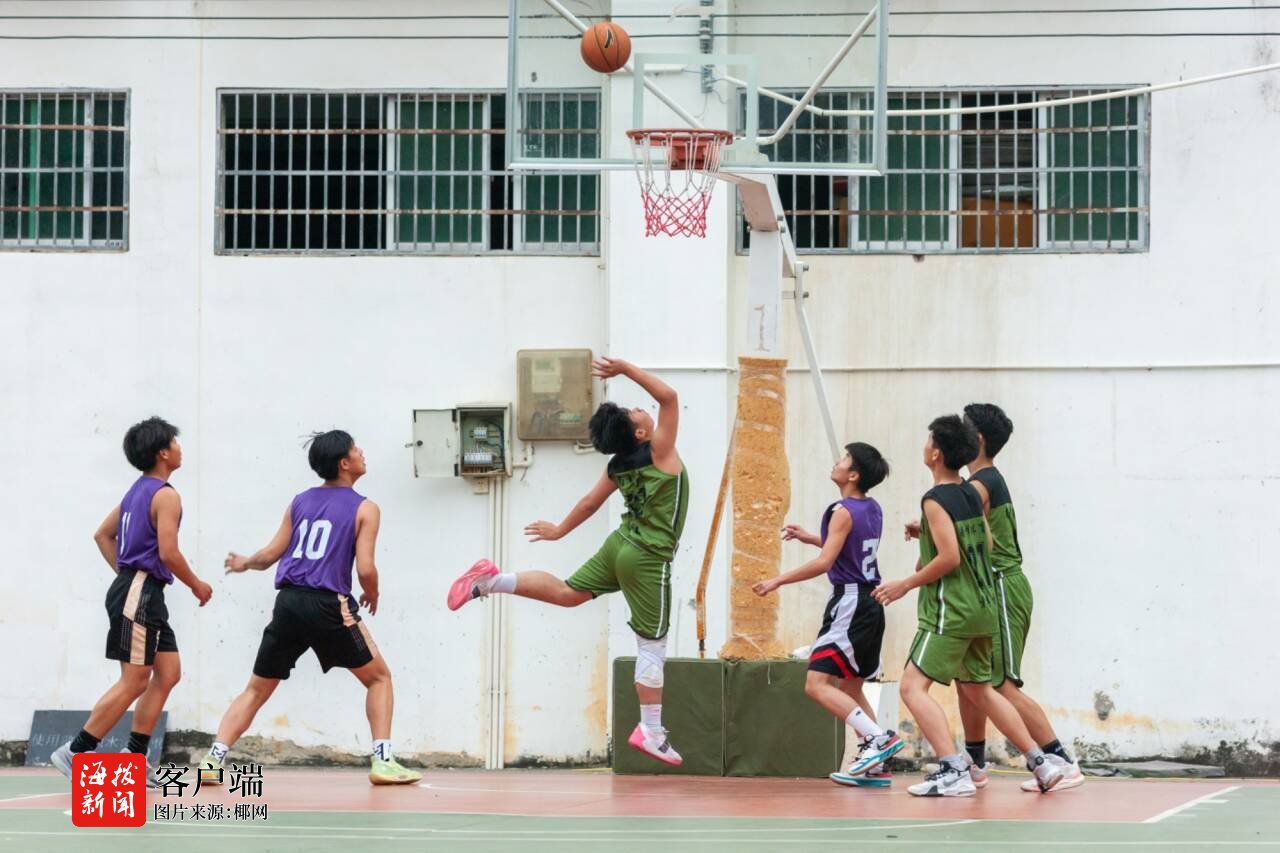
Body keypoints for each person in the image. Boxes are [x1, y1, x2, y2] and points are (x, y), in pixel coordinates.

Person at [449, 356, 688, 766]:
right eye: (635, 412)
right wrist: (625, 369)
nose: (640, 408)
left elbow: (590, 503)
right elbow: (669, 396)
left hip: (619, 545)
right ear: (641, 432)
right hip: (648, 557)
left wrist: (560, 530)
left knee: (568, 593)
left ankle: (489, 581)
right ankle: (651, 730)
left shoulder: (617, 466)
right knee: (652, 644)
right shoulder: (660, 451)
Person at [199, 430, 420, 786]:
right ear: (344, 463)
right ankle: (383, 761)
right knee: (379, 678)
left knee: (256, 689)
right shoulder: (366, 508)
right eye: (356, 449)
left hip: (288, 602)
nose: (362, 453)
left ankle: (213, 759)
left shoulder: (300, 501)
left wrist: (245, 563)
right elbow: (365, 568)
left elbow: (270, 554)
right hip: (328, 604)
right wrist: (373, 592)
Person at [874, 415, 1062, 797]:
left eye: (928, 440)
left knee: (912, 687)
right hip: (984, 608)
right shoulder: (970, 493)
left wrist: (905, 584)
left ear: (936, 454)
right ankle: (1041, 763)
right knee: (981, 690)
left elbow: (950, 558)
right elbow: (986, 544)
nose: (925, 445)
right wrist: (928, 537)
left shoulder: (933, 500)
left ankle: (953, 769)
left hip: (952, 611)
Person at [51, 417, 213, 787]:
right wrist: (196, 585)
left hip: (140, 590)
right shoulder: (166, 495)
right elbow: (169, 552)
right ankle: (76, 750)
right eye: (175, 442)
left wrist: (127, 575)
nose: (180, 448)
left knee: (168, 673)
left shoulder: (135, 493)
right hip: (140, 591)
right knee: (136, 680)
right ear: (163, 452)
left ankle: (135, 758)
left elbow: (102, 535)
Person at [753, 442, 903, 787]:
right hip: (871, 603)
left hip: (850, 603)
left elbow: (826, 563)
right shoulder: (872, 507)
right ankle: (876, 763)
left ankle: (878, 739)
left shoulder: (842, 510)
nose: (837, 460)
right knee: (851, 687)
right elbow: (847, 548)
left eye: (845, 458)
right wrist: (811, 537)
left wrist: (778, 580)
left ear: (854, 475)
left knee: (816, 683)